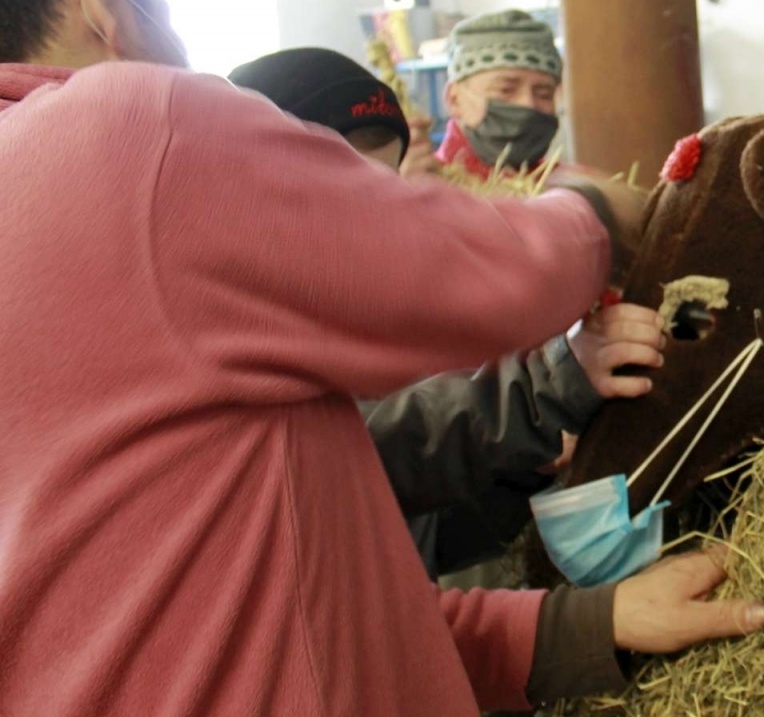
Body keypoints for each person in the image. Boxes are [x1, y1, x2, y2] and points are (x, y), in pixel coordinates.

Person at [0, 0, 764, 717]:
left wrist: (583, 626)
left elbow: (271, 607)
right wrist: (592, 206)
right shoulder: (124, 125)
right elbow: (496, 282)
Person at [229, 47, 665, 578]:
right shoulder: (240, 323)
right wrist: (548, 387)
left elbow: (416, 533)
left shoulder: (360, 297)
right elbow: (359, 447)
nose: (365, 218)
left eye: (381, 190)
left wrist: (519, 473)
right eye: (507, 89)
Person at [436, 8, 567, 179]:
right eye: (505, 90)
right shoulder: (425, 191)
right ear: (454, 100)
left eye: (543, 94)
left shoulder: (565, 186)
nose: (528, 104)